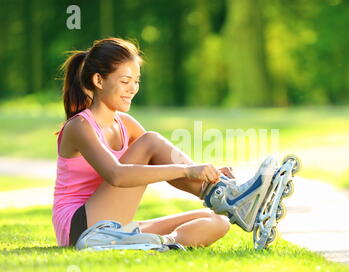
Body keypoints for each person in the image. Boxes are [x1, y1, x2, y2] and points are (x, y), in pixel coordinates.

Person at [53, 37, 276, 250]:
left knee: (217, 220)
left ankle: (161, 241)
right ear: (99, 80)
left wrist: (209, 172)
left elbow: (163, 156)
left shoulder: (125, 124)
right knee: (150, 140)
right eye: (125, 81)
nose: (133, 89)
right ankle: (226, 196)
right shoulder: (79, 126)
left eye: (136, 81)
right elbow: (117, 175)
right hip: (79, 227)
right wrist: (188, 170)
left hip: (109, 227)